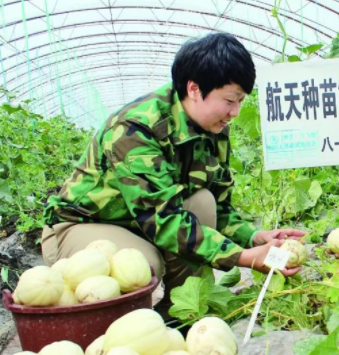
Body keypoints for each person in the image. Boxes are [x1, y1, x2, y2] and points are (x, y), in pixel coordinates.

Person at [41, 32, 304, 317]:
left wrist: (253, 237)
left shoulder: (213, 130)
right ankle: (116, 331)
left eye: (241, 101)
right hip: (80, 227)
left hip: (136, 224)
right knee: (141, 264)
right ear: (194, 89)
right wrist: (241, 257)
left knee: (202, 201)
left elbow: (221, 207)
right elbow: (161, 219)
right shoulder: (136, 129)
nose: (236, 112)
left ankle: (179, 312)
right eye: (230, 100)